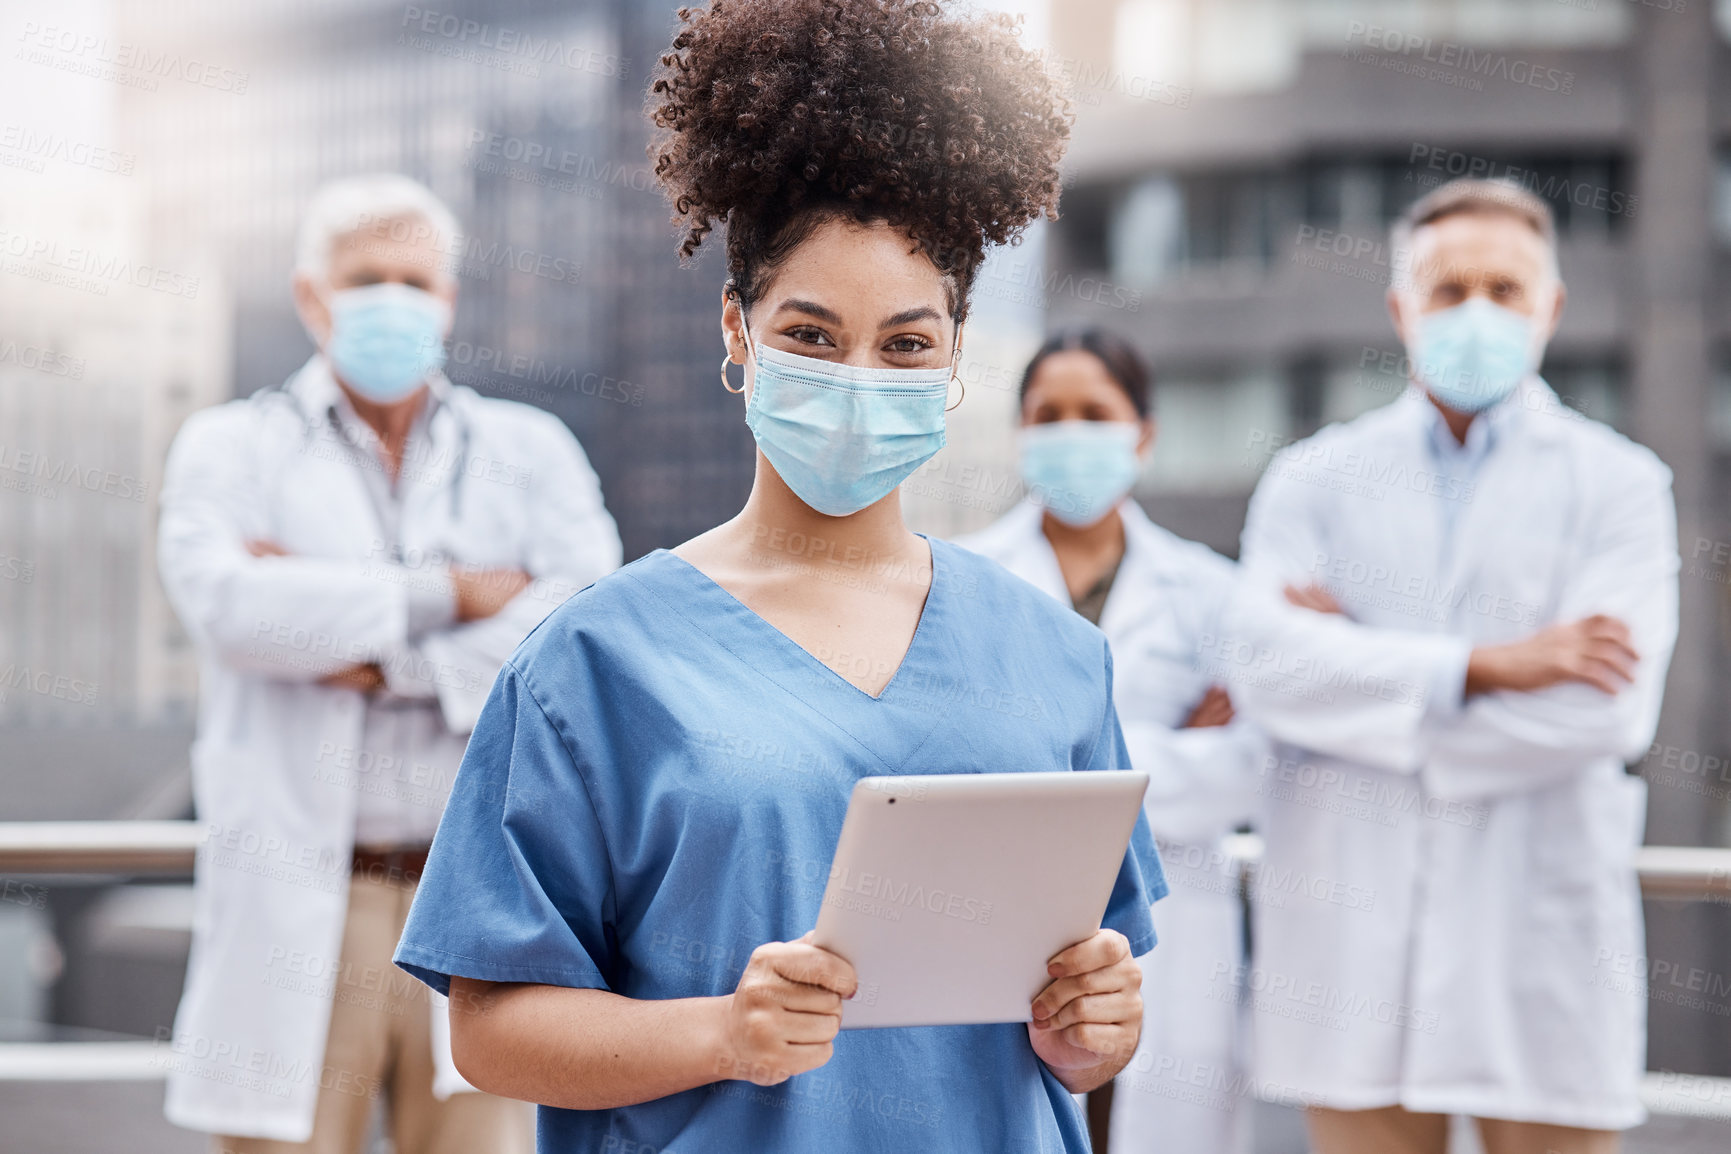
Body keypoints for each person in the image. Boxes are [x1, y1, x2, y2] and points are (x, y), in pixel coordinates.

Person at [389, 3, 1166, 1151]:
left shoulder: (1053, 655)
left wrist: (1095, 1026)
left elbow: (1088, 1023)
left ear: (955, 354)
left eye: (905, 343)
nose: (860, 375)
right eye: (811, 333)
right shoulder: (595, 661)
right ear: (737, 331)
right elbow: (492, 1030)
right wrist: (722, 1034)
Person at [156, 173, 621, 1154]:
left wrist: (377, 656)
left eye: (414, 279)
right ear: (311, 297)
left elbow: (580, 623)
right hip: (303, 904)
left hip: (478, 903)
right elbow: (235, 609)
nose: (392, 299)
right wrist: (452, 594)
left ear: (449, 300)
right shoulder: (231, 446)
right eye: (365, 276)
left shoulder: (529, 449)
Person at [1221, 178, 1678, 1154]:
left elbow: (1608, 714)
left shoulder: (1621, 485)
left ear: (1550, 307)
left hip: (1538, 944)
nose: (1476, 312)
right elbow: (1264, 669)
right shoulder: (1314, 477)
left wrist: (1361, 675)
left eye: (1505, 290)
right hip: (1351, 950)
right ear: (1402, 309)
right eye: (1448, 287)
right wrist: (1488, 666)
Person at [959, 329, 1265, 1154]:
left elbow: (1246, 770)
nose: (1069, 433)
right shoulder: (962, 582)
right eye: (1047, 415)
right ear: (1019, 434)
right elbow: (953, 765)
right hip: (1006, 919)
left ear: (1144, 433)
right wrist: (1152, 759)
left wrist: (1050, 768)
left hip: (1177, 919)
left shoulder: (1210, 591)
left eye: (1094, 413)